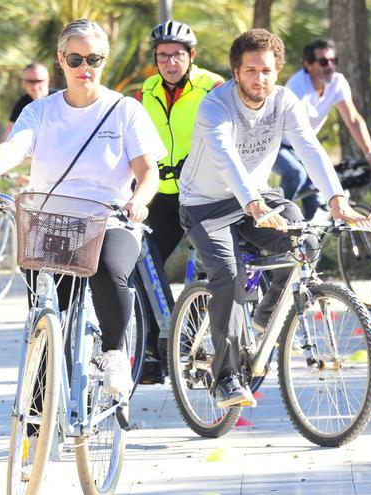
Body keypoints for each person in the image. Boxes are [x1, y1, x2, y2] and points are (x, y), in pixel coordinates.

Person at [0, 19, 166, 396]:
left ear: (104, 61)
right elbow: (13, 147)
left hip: (110, 219)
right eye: (75, 59)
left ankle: (114, 353)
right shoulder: (41, 111)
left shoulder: (125, 111)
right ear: (60, 60)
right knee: (46, 317)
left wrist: (139, 200)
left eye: (94, 59)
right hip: (51, 222)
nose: (85, 68)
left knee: (107, 268)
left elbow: (147, 170)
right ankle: (37, 419)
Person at [178, 29, 371, 408]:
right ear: (236, 72)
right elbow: (225, 157)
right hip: (206, 204)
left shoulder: (284, 102)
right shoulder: (215, 106)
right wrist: (252, 204)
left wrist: (337, 199)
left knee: (306, 241)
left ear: (277, 71)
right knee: (228, 276)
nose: (259, 79)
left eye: (266, 71)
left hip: (256, 197)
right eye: (250, 70)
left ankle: (267, 317)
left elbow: (310, 150)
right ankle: (227, 377)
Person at [134, 20, 224, 382]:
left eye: (177, 55)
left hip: (204, 195)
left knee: (215, 273)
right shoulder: (146, 92)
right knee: (138, 264)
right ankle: (165, 344)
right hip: (163, 197)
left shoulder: (213, 87)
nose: (170, 62)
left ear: (192, 56)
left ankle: (209, 344)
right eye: (163, 56)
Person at [275, 38, 371, 219]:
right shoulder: (297, 87)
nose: (330, 66)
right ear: (308, 65)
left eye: (334, 61)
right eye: (324, 62)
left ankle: (309, 239)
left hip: (301, 145)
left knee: (317, 194)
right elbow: (296, 131)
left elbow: (353, 120)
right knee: (297, 173)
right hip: (277, 143)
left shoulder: (337, 82)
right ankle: (270, 222)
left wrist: (370, 153)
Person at [0, 63, 55, 143]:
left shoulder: (61, 99)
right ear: (24, 83)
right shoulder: (22, 104)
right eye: (30, 81)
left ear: (48, 80)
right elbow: (8, 134)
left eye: (39, 81)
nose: (35, 86)